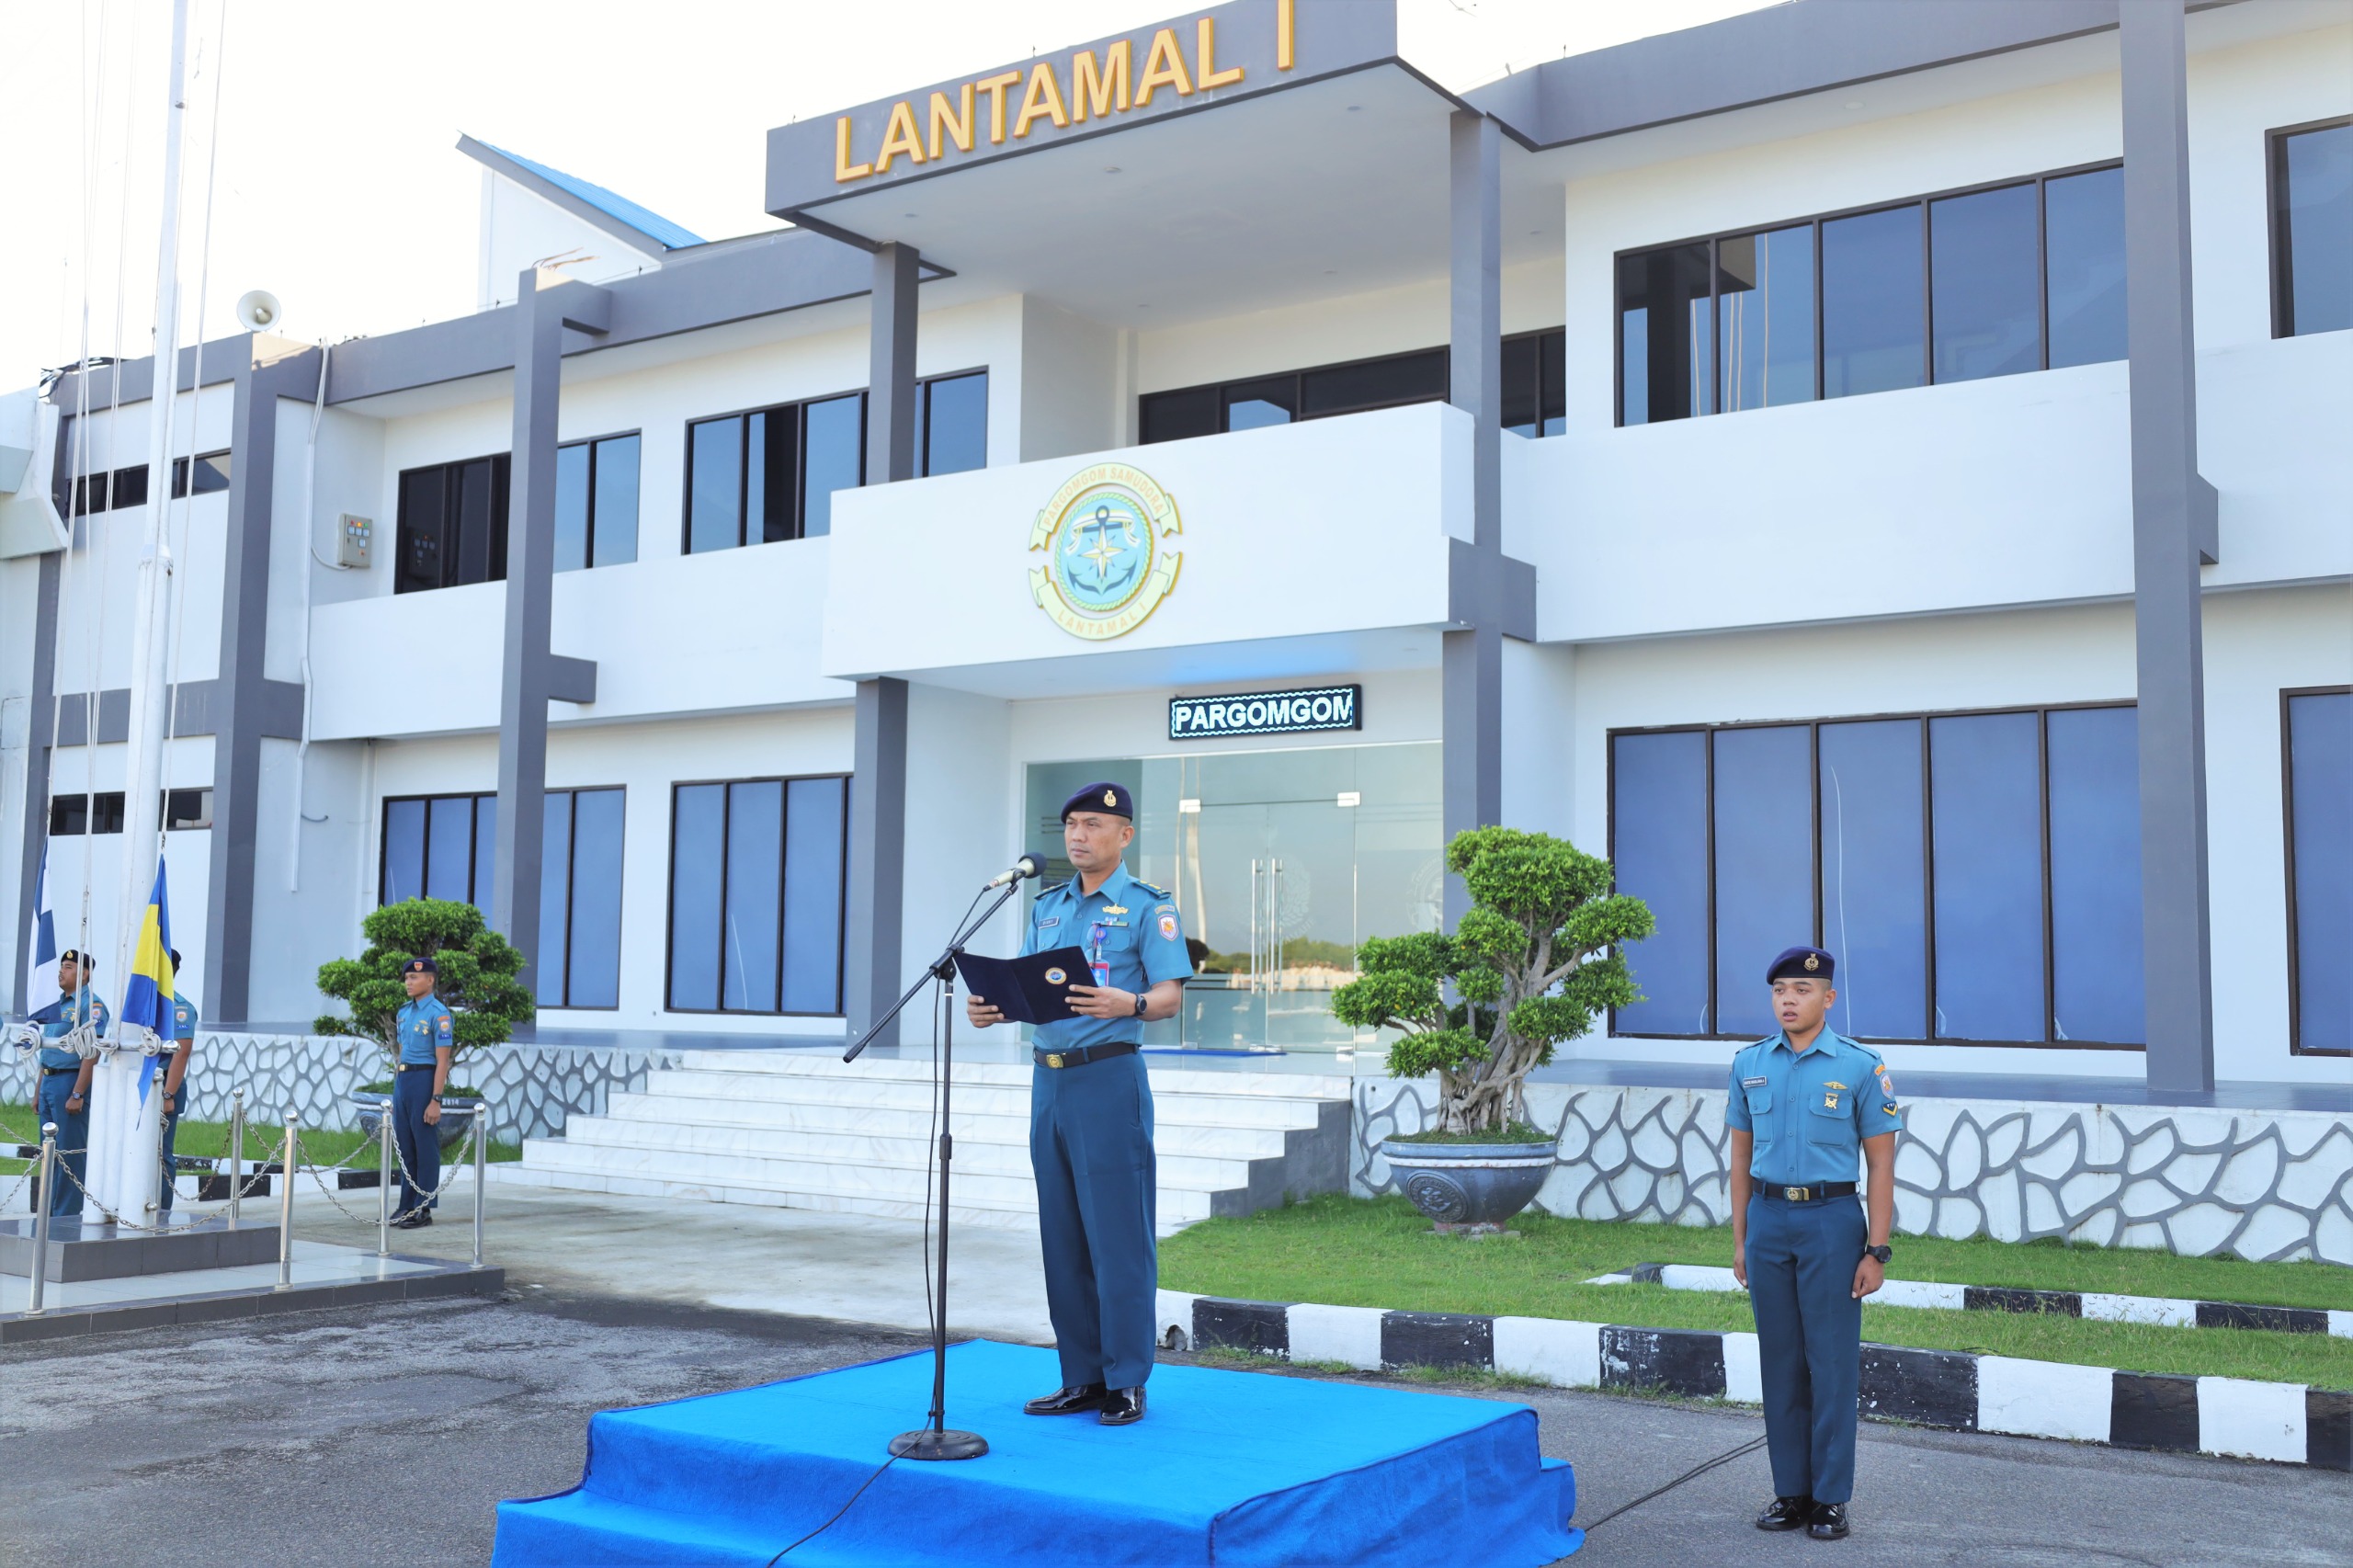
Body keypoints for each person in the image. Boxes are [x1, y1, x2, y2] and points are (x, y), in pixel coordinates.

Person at [966, 782, 1190, 1427]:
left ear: (1124, 835)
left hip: (1107, 1080)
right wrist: (996, 1006)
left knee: (1117, 1236)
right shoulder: (1048, 906)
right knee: (1062, 1235)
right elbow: (1037, 988)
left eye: (1093, 824)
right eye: (1070, 824)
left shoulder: (1149, 908)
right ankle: (1081, 1377)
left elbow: (1170, 996)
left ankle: (1126, 1381)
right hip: (1050, 1081)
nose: (1077, 835)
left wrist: (1133, 1004)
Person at [1726, 947, 1903, 1541]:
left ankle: (1830, 1498)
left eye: (1801, 991)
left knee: (1829, 1363)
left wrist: (1876, 1251)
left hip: (1831, 1220)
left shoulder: (1859, 1066)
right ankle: (1791, 1492)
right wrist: (1741, 1240)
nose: (1788, 1001)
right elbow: (1741, 1159)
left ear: (1828, 998)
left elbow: (1881, 1166)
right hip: (1769, 1219)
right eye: (1779, 990)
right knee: (1780, 1362)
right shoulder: (1750, 1063)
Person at [27, 949, 109, 1217]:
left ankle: (67, 1216)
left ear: (84, 974)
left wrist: (78, 1092)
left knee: (69, 1153)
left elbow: (91, 1051)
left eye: (68, 967)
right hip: (50, 1080)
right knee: (48, 1152)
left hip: (69, 1083)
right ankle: (47, 1213)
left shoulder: (90, 1006)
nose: (61, 971)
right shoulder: (56, 1005)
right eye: (62, 966)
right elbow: (48, 1049)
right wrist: (39, 1090)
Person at [390, 956, 455, 1229]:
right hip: (404, 1080)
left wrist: (435, 1099)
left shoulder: (439, 1014)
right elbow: (403, 1050)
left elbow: (443, 1061)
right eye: (407, 978)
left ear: (430, 980)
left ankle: (423, 1207)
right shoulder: (404, 1012)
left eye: (414, 978)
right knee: (405, 1147)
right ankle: (406, 1204)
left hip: (425, 1079)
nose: (409, 982)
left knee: (425, 1147)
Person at [155, 949, 199, 1217]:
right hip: (140, 1087)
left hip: (164, 1088)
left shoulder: (180, 1008)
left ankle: (160, 1209)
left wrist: (168, 1094)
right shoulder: (146, 1004)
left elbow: (180, 1053)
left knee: (161, 1153)